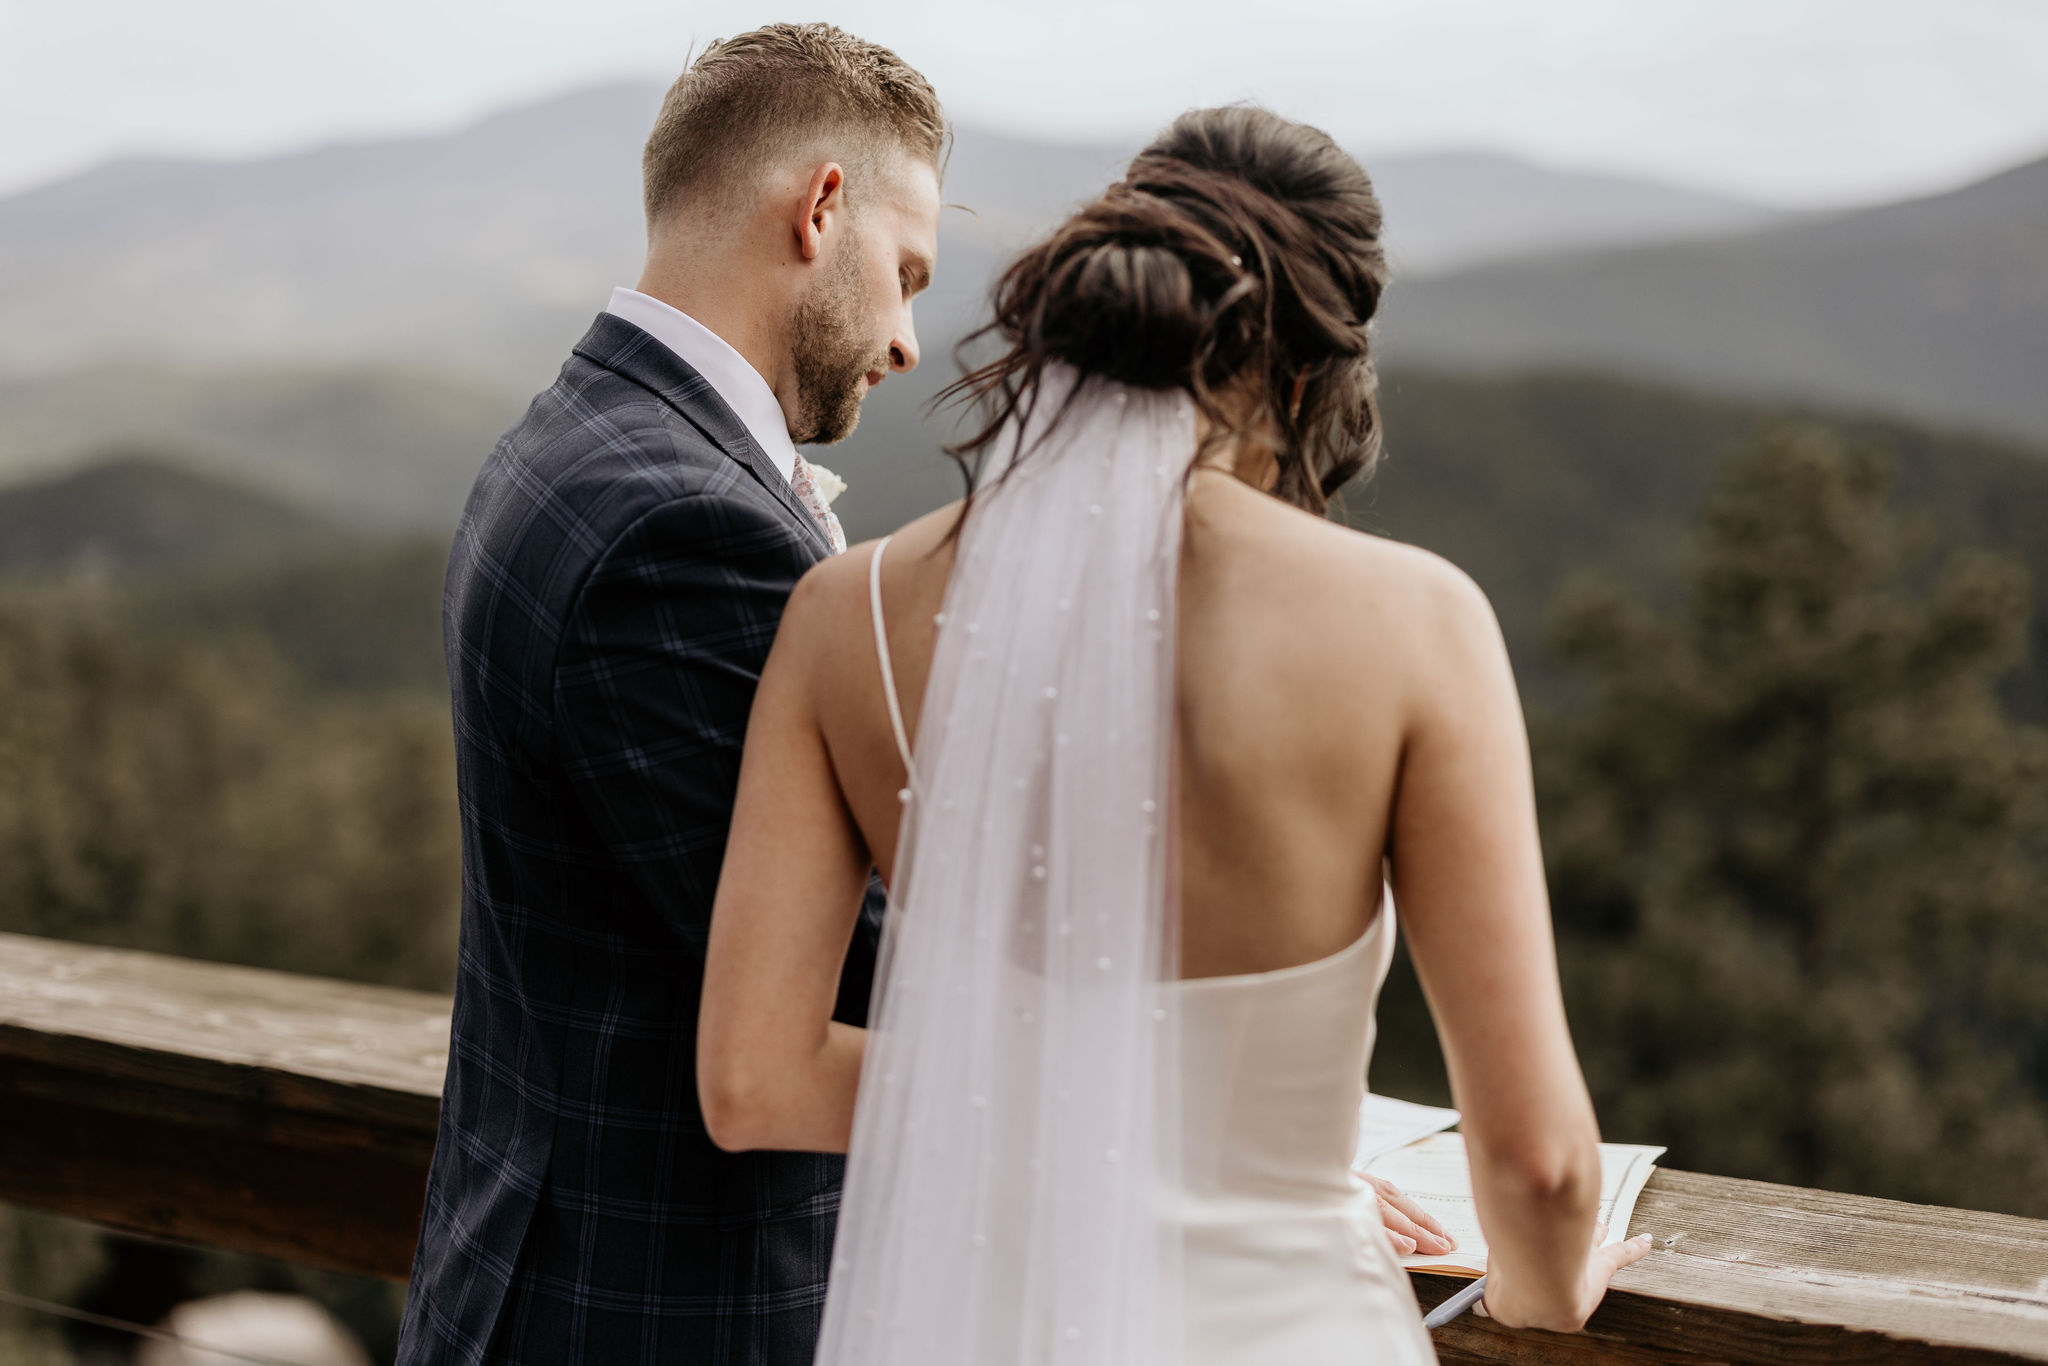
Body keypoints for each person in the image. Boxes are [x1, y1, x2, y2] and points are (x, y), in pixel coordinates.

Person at [698, 105, 1651, 1364]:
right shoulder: (1417, 622)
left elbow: (753, 1081)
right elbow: (1535, 1165)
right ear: (1311, 373)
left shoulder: (842, 615)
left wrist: (1103, 1122)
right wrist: (1542, 1298)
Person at [394, 24, 945, 1365]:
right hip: (652, 1311)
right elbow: (861, 980)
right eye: (907, 273)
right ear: (820, 209)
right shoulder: (681, 528)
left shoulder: (567, 434)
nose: (908, 340)